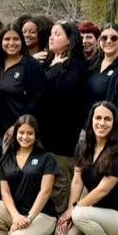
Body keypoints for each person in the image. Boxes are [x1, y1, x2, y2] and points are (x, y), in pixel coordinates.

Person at [55, 102, 118, 235]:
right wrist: (69, 208)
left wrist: (75, 209)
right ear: (91, 120)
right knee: (63, 234)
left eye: (107, 119)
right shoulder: (82, 147)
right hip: (97, 211)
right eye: (98, 118)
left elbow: (102, 191)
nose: (102, 123)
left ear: (114, 123)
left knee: (79, 214)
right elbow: (77, 180)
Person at [0, 114, 59, 235]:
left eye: (30, 133)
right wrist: (16, 216)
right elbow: (5, 192)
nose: (25, 137)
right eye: (21, 132)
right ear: (15, 133)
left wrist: (29, 218)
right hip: (18, 213)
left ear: (36, 135)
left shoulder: (47, 158)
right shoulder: (7, 158)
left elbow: (45, 191)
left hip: (42, 215)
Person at [36, 21, 87, 213]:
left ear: (69, 40)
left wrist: (56, 68)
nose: (51, 37)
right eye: (51, 34)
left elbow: (65, 90)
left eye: (57, 34)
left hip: (63, 131)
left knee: (59, 176)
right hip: (43, 129)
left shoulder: (76, 65)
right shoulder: (47, 61)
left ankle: (62, 214)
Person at [0, 25, 45, 134]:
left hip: (20, 132)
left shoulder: (32, 66)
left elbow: (36, 101)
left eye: (16, 39)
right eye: (7, 39)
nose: (11, 43)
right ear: (1, 41)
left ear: (22, 41)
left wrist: (18, 126)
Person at [82, 22, 118, 129]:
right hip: (88, 129)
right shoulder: (92, 64)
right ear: (99, 41)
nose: (108, 41)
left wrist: (112, 133)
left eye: (114, 38)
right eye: (104, 38)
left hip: (110, 131)